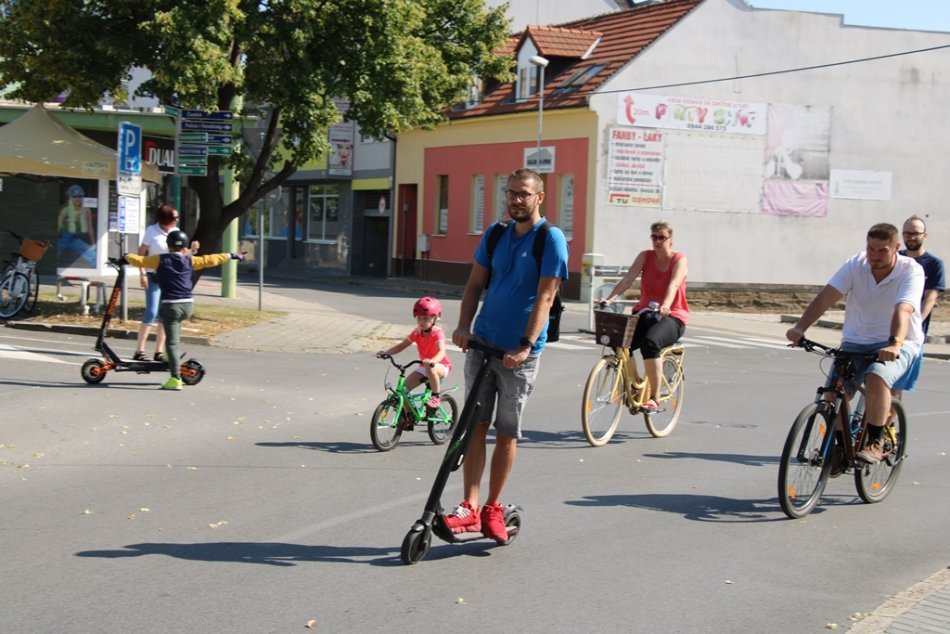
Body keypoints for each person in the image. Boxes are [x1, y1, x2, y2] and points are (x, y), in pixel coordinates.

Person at [446, 167, 569, 543]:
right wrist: (464, 326)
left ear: (539, 198)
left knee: (505, 433)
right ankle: (469, 505)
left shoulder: (550, 238)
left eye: (524, 194)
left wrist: (526, 345)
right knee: (475, 427)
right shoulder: (495, 234)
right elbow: (473, 285)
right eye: (511, 193)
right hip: (483, 343)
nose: (516, 200)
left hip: (518, 353)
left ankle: (493, 507)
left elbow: (546, 296)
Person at [786, 223, 924, 464]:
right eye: (870, 249)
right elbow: (826, 297)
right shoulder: (856, 264)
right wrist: (800, 327)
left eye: (882, 250)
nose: (874, 256)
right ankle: (841, 447)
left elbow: (903, 309)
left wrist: (894, 343)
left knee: (876, 377)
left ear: (896, 248)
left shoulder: (910, 271)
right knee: (832, 394)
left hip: (900, 342)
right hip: (855, 340)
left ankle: (875, 441)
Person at [124, 230, 243, 391]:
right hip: (187, 305)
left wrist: (126, 256)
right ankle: (168, 356)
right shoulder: (190, 260)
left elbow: (141, 260)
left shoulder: (161, 259)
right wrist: (232, 255)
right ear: (185, 246)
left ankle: (175, 378)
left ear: (169, 246)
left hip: (171, 305)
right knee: (175, 333)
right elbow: (211, 259)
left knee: (172, 342)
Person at [600, 221, 689, 412]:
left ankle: (654, 398)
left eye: (662, 237)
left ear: (670, 239)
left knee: (650, 342)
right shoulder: (645, 256)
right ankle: (635, 383)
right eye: (654, 237)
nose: (657, 241)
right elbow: (627, 280)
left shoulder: (679, 259)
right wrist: (608, 300)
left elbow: (674, 285)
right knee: (619, 341)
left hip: (672, 316)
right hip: (645, 312)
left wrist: (666, 305)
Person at [892, 215, 945, 397]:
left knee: (896, 386)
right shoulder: (894, 259)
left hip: (911, 335)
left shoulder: (934, 264)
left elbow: (930, 298)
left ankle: (887, 425)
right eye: (906, 233)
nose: (910, 237)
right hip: (886, 328)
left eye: (915, 233)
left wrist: (915, 323)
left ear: (925, 235)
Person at [376, 296, 452, 409]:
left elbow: (441, 351)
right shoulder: (417, 332)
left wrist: (433, 361)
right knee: (402, 391)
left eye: (425, 318)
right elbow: (402, 345)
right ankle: (409, 418)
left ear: (435, 317)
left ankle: (435, 397)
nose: (421, 321)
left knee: (430, 368)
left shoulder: (437, 333)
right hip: (424, 366)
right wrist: (387, 353)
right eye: (419, 318)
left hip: (440, 366)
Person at [132, 204, 179, 362]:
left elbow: (182, 254)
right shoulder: (152, 231)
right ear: (165, 219)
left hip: (169, 277)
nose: (177, 220)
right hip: (153, 276)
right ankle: (139, 350)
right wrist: (142, 273)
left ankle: (159, 352)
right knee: (151, 311)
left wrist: (193, 250)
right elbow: (141, 253)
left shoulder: (175, 232)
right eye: (174, 218)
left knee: (164, 315)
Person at [57, 184, 96, 267]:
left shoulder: (86, 210)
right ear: (70, 197)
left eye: (80, 196)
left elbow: (90, 227)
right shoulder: (64, 209)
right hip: (63, 237)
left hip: (75, 238)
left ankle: (92, 272)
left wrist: (93, 244)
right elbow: (58, 225)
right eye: (74, 196)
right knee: (53, 256)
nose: (77, 199)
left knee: (94, 256)